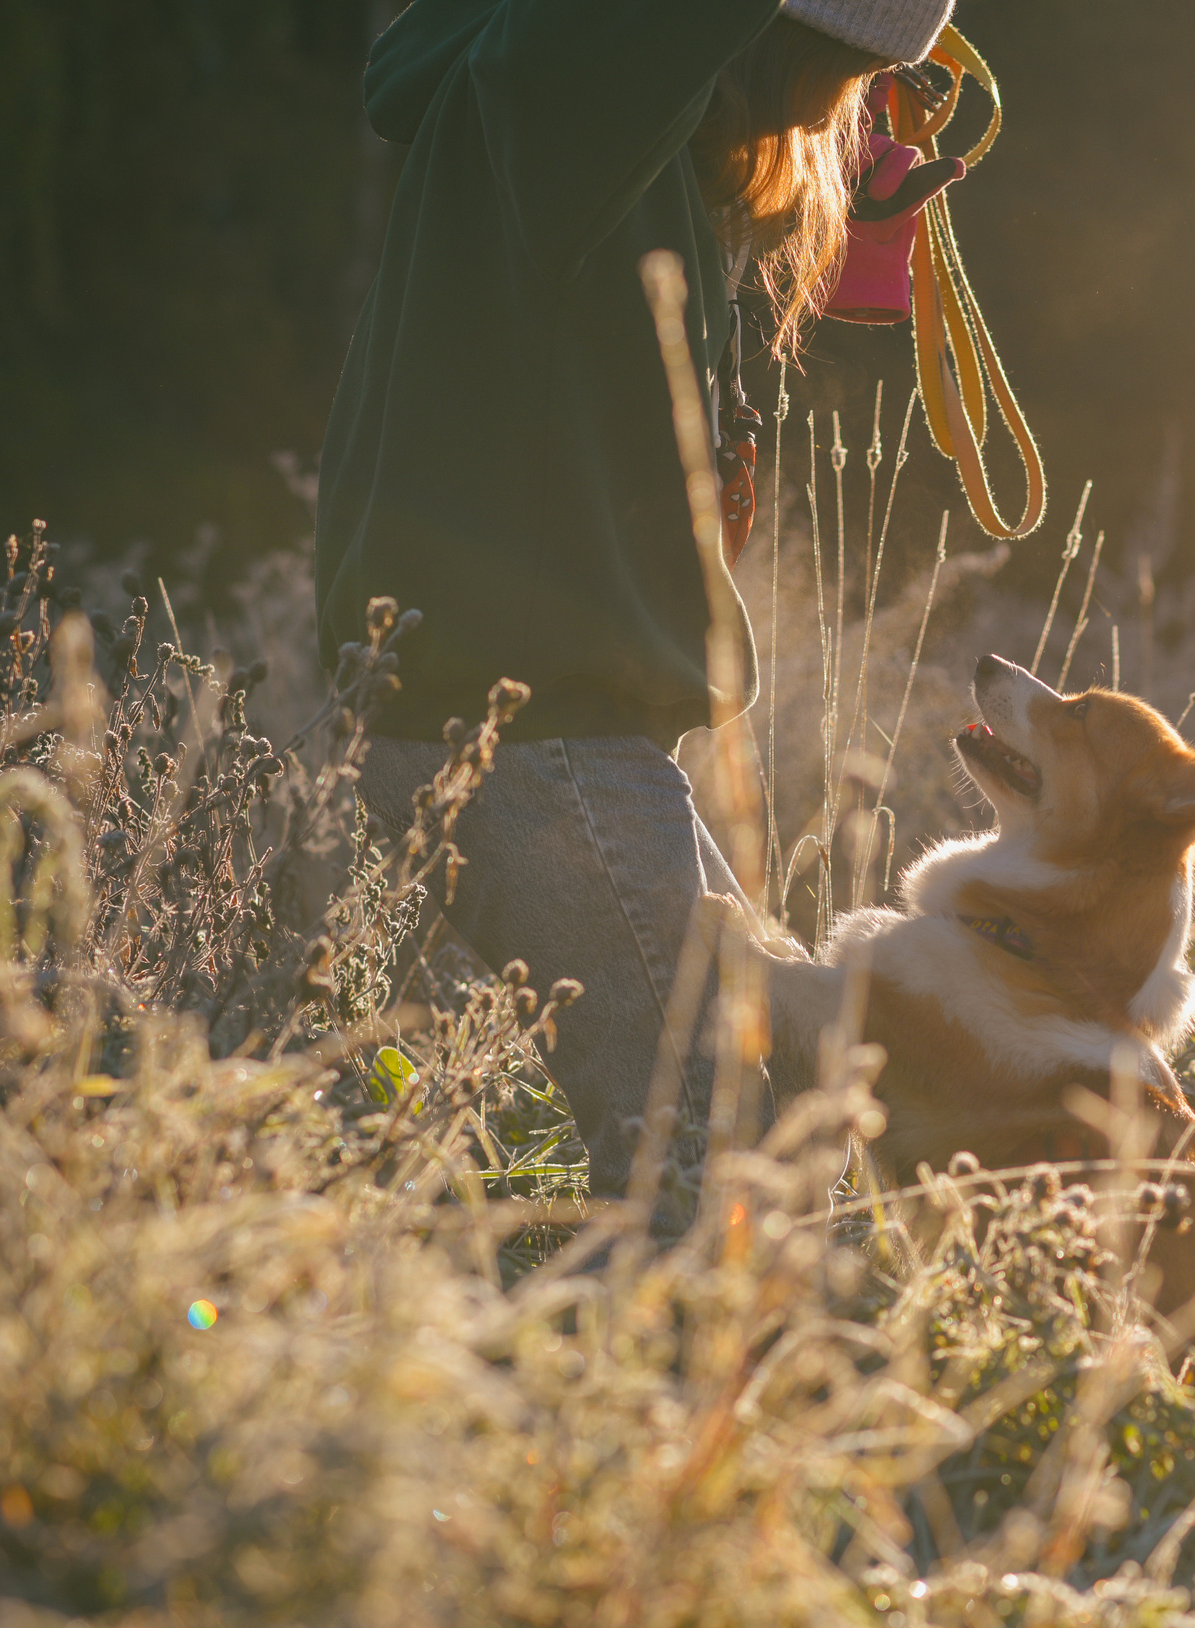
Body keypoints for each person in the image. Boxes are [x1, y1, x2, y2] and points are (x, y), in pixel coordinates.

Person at [313, 0, 955, 1219]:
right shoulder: (568, 102)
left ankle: (645, 1387)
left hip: (539, 729)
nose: (840, 120)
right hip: (537, 736)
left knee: (767, 1149)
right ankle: (591, 1400)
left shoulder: (568, 123)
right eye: (846, 80)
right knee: (722, 1192)